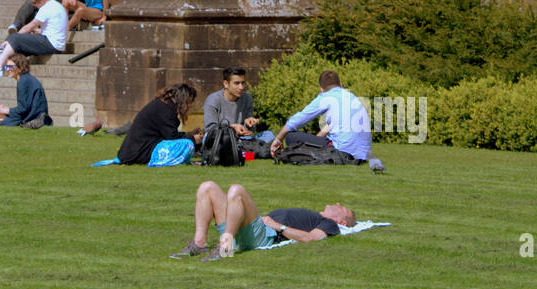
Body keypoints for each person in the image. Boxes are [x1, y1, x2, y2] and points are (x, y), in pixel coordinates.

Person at [170, 181, 356, 260]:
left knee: (236, 190)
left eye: (343, 209)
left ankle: (226, 247)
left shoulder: (329, 225)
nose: (338, 203)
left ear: (342, 222)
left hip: (265, 235)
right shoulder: (314, 215)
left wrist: (279, 226)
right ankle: (199, 243)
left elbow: (311, 239)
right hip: (247, 227)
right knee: (207, 187)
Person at [268, 69, 373, 164]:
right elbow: (331, 128)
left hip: (341, 152)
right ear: (341, 84)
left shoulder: (326, 97)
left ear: (321, 89)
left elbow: (298, 120)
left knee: (291, 136)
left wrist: (278, 139)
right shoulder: (352, 97)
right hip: (362, 156)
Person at [116, 83, 203, 165]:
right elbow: (172, 138)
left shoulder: (163, 105)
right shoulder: (166, 109)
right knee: (187, 144)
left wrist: (190, 134)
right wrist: (193, 138)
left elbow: (170, 134)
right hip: (137, 153)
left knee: (186, 142)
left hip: (133, 151)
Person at [202, 67, 275, 148]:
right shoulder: (213, 99)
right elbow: (210, 129)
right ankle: (246, 152)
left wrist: (250, 123)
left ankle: (240, 152)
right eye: (236, 83)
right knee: (206, 138)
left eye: (243, 83)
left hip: (242, 139)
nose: (241, 87)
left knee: (269, 135)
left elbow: (250, 131)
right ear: (226, 84)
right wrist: (232, 127)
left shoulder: (247, 98)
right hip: (223, 138)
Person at [0, 57, 52, 128]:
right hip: (35, 115)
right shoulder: (26, 79)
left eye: (10, 66)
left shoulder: (23, 81)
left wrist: (6, 110)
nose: (7, 69)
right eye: (6, 66)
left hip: (34, 117)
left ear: (20, 67)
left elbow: (23, 109)